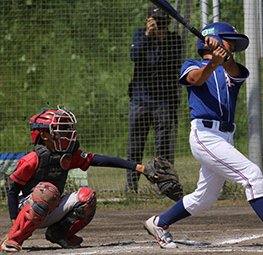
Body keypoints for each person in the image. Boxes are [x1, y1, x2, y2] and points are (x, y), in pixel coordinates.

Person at [143, 22, 263, 249]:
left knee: (206, 197)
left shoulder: (232, 70)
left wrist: (222, 57)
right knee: (252, 174)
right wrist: (214, 60)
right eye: (229, 42)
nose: (232, 47)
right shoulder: (191, 65)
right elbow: (196, 79)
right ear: (211, 42)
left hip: (224, 137)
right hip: (204, 135)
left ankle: (159, 223)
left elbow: (234, 71)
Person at [0, 106, 158, 252]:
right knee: (47, 192)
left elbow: (101, 160)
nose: (66, 134)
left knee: (87, 198)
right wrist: (15, 225)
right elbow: (13, 192)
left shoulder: (68, 155)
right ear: (43, 135)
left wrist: (139, 168)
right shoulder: (32, 159)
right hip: (27, 209)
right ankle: (13, 239)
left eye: (67, 129)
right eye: (59, 130)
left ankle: (59, 234)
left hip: (50, 205)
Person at [126, 4, 182, 193]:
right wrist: (148, 36)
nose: (158, 24)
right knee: (135, 146)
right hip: (140, 100)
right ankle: (131, 187)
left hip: (163, 101)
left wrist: (162, 38)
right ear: (148, 20)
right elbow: (134, 56)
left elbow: (173, 63)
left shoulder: (174, 39)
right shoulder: (140, 34)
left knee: (163, 147)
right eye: (154, 20)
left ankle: (164, 186)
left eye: (161, 21)